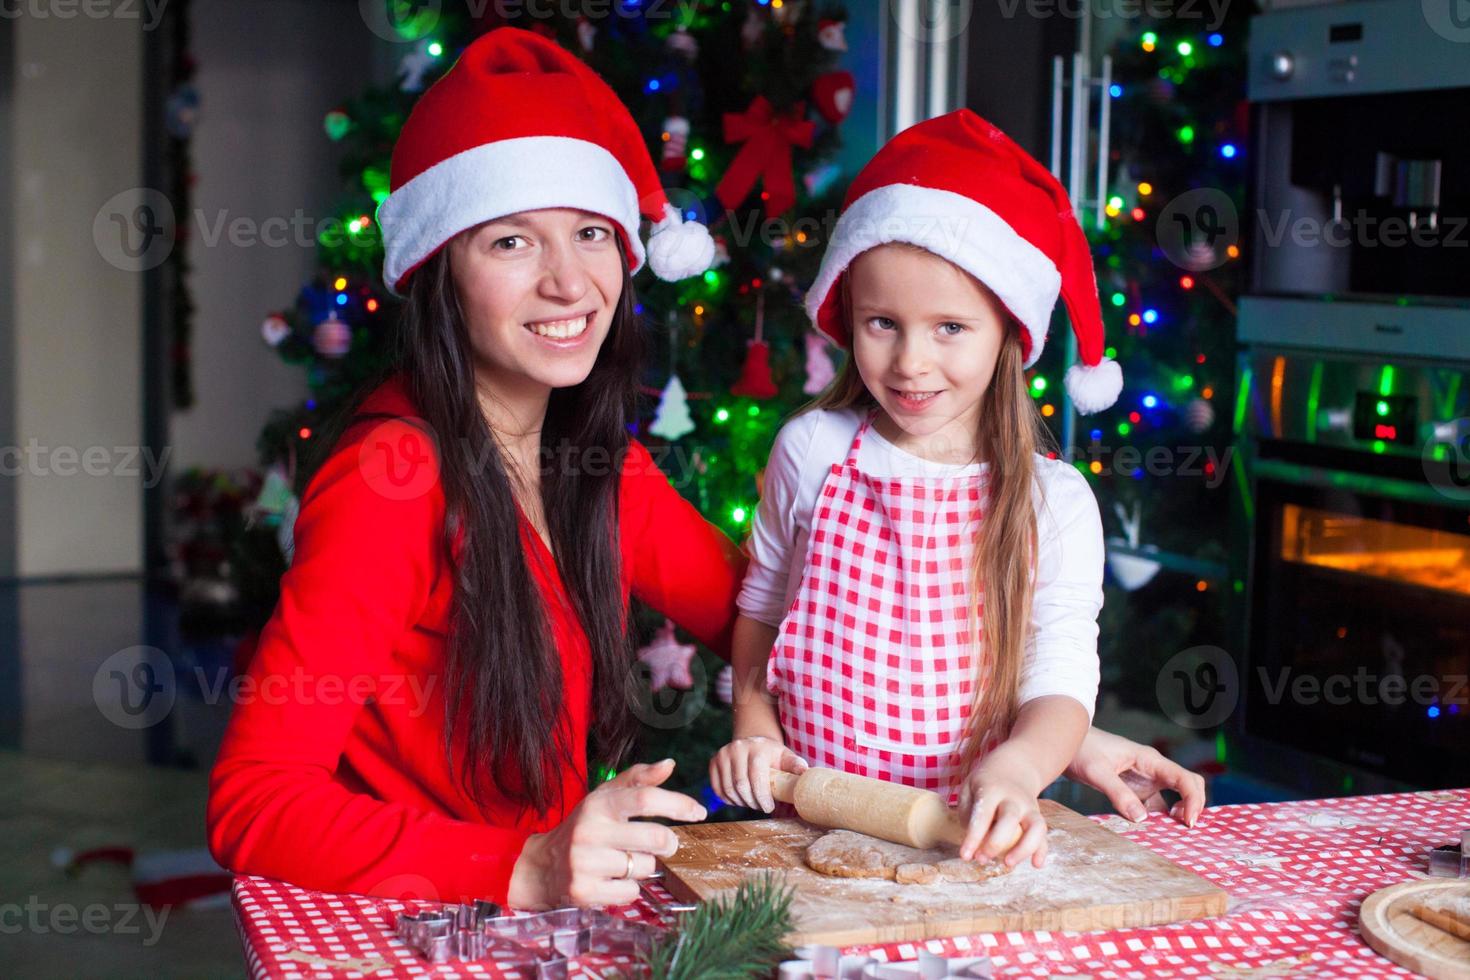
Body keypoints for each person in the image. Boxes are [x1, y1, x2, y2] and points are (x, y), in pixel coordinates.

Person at [209, 33, 1203, 911]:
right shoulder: (392, 476)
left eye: (592, 232)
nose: (569, 280)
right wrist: (521, 863)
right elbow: (255, 799)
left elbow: (800, 617)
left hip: (550, 902)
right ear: (438, 269)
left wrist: (1054, 732)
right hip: (423, 920)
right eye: (512, 240)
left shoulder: (583, 454)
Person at [711, 110, 1146, 872]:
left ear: (1012, 336)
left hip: (963, 844)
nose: (911, 361)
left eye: (950, 327)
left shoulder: (1054, 501)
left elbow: (1061, 675)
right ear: (849, 318)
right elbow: (761, 609)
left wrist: (1017, 770)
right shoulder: (811, 451)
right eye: (883, 322)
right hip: (802, 832)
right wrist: (754, 723)